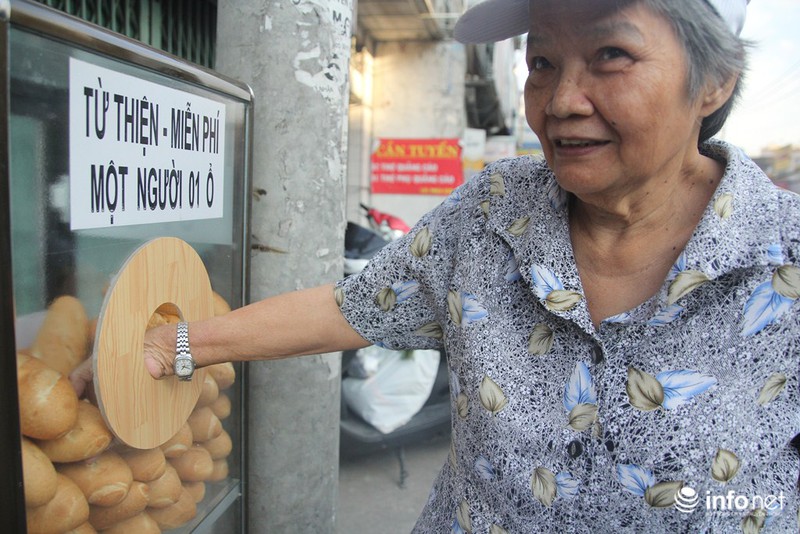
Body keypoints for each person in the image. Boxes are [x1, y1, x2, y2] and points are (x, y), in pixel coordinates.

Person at [71, 0, 800, 531]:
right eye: (542, 62)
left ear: (714, 82)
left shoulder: (785, 259)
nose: (563, 101)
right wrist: (177, 346)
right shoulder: (493, 212)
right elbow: (351, 308)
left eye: (612, 56)